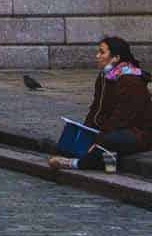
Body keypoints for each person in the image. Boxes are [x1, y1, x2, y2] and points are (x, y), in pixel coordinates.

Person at [51, 36, 152, 173]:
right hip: (110, 128)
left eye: (102, 52)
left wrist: (99, 137)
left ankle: (78, 164)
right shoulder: (104, 77)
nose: (97, 56)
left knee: (109, 140)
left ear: (115, 58)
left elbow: (123, 118)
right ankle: (107, 163)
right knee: (72, 139)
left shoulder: (130, 81)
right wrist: (86, 130)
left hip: (138, 133)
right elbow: (96, 108)